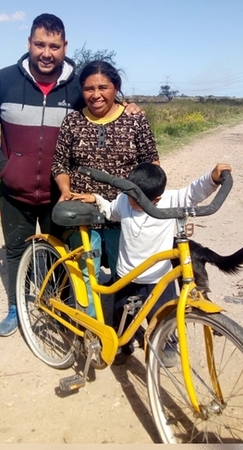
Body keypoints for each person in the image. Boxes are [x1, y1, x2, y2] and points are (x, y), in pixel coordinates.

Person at [0, 14, 143, 337]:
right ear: (29, 44)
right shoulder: (2, 81)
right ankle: (17, 305)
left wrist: (129, 106)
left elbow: (103, 102)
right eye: (40, 44)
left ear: (65, 47)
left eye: (54, 45)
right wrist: (5, 168)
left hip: (60, 193)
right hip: (15, 191)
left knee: (64, 253)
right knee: (17, 250)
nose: (46, 53)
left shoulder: (77, 86)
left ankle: (60, 307)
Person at [73, 162, 232, 363]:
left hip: (159, 278)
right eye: (129, 194)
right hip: (126, 276)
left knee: (165, 316)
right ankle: (123, 344)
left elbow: (194, 191)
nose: (130, 200)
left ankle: (166, 343)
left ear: (156, 199)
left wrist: (213, 177)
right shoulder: (124, 200)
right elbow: (111, 210)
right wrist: (97, 199)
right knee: (122, 315)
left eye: (136, 199)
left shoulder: (172, 199)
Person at [51, 60, 159, 321]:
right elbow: (60, 163)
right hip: (84, 212)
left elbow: (152, 161)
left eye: (103, 87)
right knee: (87, 275)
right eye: (89, 89)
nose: (96, 94)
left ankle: (128, 327)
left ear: (116, 88)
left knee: (130, 273)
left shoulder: (135, 120)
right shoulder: (73, 122)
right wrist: (65, 190)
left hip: (124, 211)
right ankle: (92, 328)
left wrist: (144, 197)